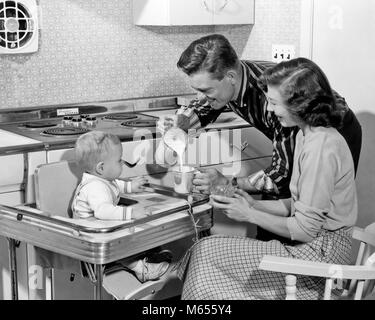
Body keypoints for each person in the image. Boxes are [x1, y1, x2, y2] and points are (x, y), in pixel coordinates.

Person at [175, 57, 358, 300]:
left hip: (322, 257)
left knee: (207, 253)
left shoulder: (321, 149)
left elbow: (305, 229)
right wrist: (252, 204)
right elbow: (298, 204)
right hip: (314, 249)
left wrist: (250, 214)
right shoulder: (306, 135)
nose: (269, 110)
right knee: (205, 253)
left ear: (299, 105)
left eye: (273, 103)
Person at [158, 34, 362, 243]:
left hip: (336, 125)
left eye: (205, 90)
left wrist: (229, 182)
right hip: (300, 134)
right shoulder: (232, 80)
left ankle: (309, 264)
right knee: (289, 204)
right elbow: (207, 105)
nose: (201, 97)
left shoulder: (276, 104)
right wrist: (183, 122)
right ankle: (279, 258)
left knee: (305, 214)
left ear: (230, 77)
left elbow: (280, 175)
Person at [72, 131, 170, 282]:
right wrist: (130, 213)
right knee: (121, 243)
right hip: (91, 235)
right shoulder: (95, 187)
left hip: (99, 225)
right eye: (119, 161)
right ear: (101, 168)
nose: (123, 163)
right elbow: (103, 210)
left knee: (128, 233)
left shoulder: (103, 179)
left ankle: (148, 256)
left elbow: (116, 184)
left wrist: (132, 186)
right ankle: (141, 268)